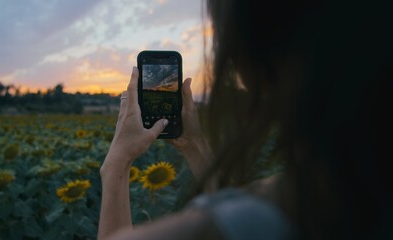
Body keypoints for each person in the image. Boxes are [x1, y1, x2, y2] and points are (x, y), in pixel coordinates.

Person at [98, 0, 391, 239]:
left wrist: (116, 165)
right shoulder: (363, 195)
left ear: (248, 54)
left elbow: (238, 218)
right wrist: (192, 144)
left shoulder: (211, 229)